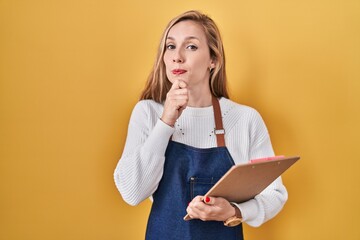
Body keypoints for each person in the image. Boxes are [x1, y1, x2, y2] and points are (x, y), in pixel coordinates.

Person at [114, 10, 288, 240]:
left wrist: (235, 211)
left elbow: (275, 194)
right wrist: (166, 121)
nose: (177, 57)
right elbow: (132, 192)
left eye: (191, 47)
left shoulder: (245, 119)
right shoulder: (147, 113)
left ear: (213, 60)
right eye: (170, 46)